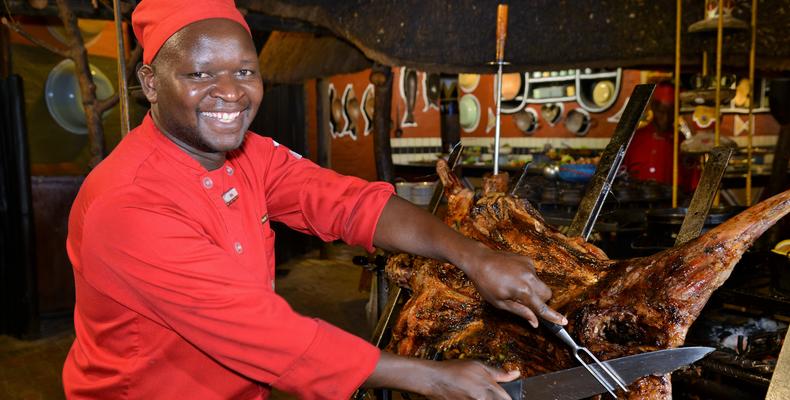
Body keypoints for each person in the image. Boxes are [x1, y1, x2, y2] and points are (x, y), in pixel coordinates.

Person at [62, 0, 566, 398]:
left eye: (244, 71)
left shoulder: (249, 154)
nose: (231, 92)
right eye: (199, 75)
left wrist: (472, 254)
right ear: (150, 83)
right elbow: (260, 334)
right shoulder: (128, 204)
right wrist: (432, 378)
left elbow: (346, 202)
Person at [623, 83, 682, 185]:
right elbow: (622, 172)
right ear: (653, 107)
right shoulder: (635, 138)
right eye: (662, 112)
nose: (666, 118)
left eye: (671, 113)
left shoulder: (681, 141)